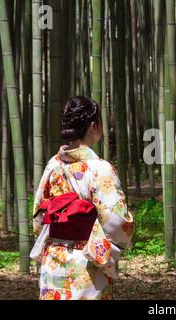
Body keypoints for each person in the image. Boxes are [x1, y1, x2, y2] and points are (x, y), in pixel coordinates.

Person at [32, 96, 134, 300]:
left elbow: (38, 218)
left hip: (53, 261)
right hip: (87, 265)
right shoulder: (100, 169)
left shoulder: (53, 165)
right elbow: (117, 221)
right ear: (94, 126)